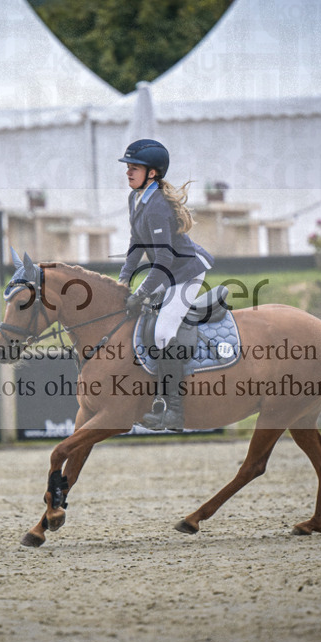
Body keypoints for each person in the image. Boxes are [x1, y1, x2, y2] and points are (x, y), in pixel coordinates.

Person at [118, 139, 214, 431]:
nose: (128, 172)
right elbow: (136, 244)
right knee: (144, 317)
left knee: (162, 332)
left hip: (185, 271)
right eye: (128, 167)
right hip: (168, 271)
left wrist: (142, 292)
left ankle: (174, 411)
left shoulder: (157, 205)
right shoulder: (137, 198)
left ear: (152, 173)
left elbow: (163, 258)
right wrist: (124, 278)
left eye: (134, 168)